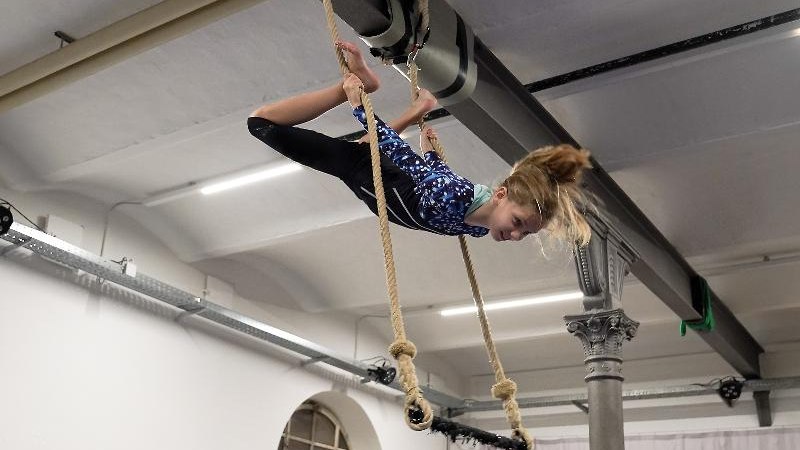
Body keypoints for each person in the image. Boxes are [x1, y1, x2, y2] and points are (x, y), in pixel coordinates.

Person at [249, 41, 592, 245]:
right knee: (261, 123)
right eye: (518, 223)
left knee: (367, 147)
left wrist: (432, 155)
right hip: (367, 173)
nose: (515, 236)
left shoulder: (477, 226)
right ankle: (351, 89)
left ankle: (412, 106)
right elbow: (405, 158)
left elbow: (437, 176)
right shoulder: (458, 200)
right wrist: (356, 106)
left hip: (381, 178)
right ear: (501, 195)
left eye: (525, 234)